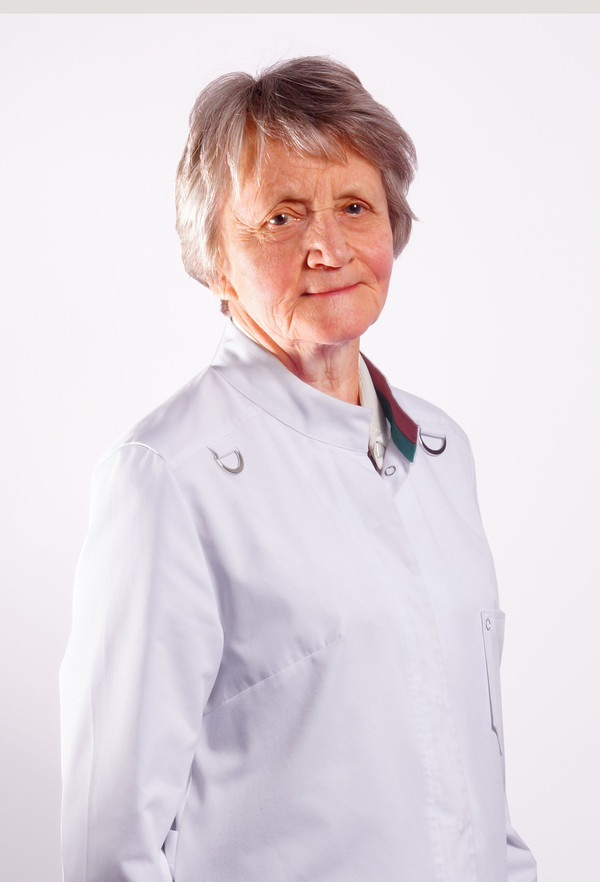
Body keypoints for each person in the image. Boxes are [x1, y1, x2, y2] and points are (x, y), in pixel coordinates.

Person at [60, 56, 536, 882]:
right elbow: (111, 847)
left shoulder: (441, 450)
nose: (327, 247)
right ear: (215, 255)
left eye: (354, 206)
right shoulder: (166, 476)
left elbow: (474, 776)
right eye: (280, 217)